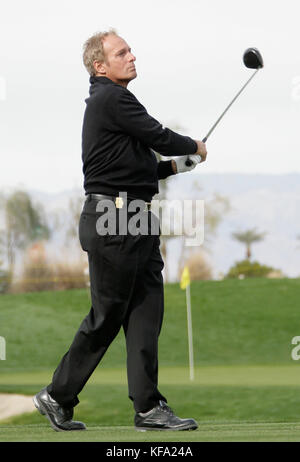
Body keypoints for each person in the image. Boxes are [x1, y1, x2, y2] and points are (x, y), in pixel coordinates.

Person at [33, 29, 207, 432]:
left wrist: (177, 166)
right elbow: (158, 135)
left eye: (130, 50)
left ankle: (149, 408)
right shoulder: (112, 98)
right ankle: (57, 395)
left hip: (137, 220)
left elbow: (136, 166)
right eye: (122, 52)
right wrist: (192, 145)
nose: (132, 56)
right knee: (108, 315)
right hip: (114, 221)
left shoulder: (112, 104)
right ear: (100, 66)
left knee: (147, 312)